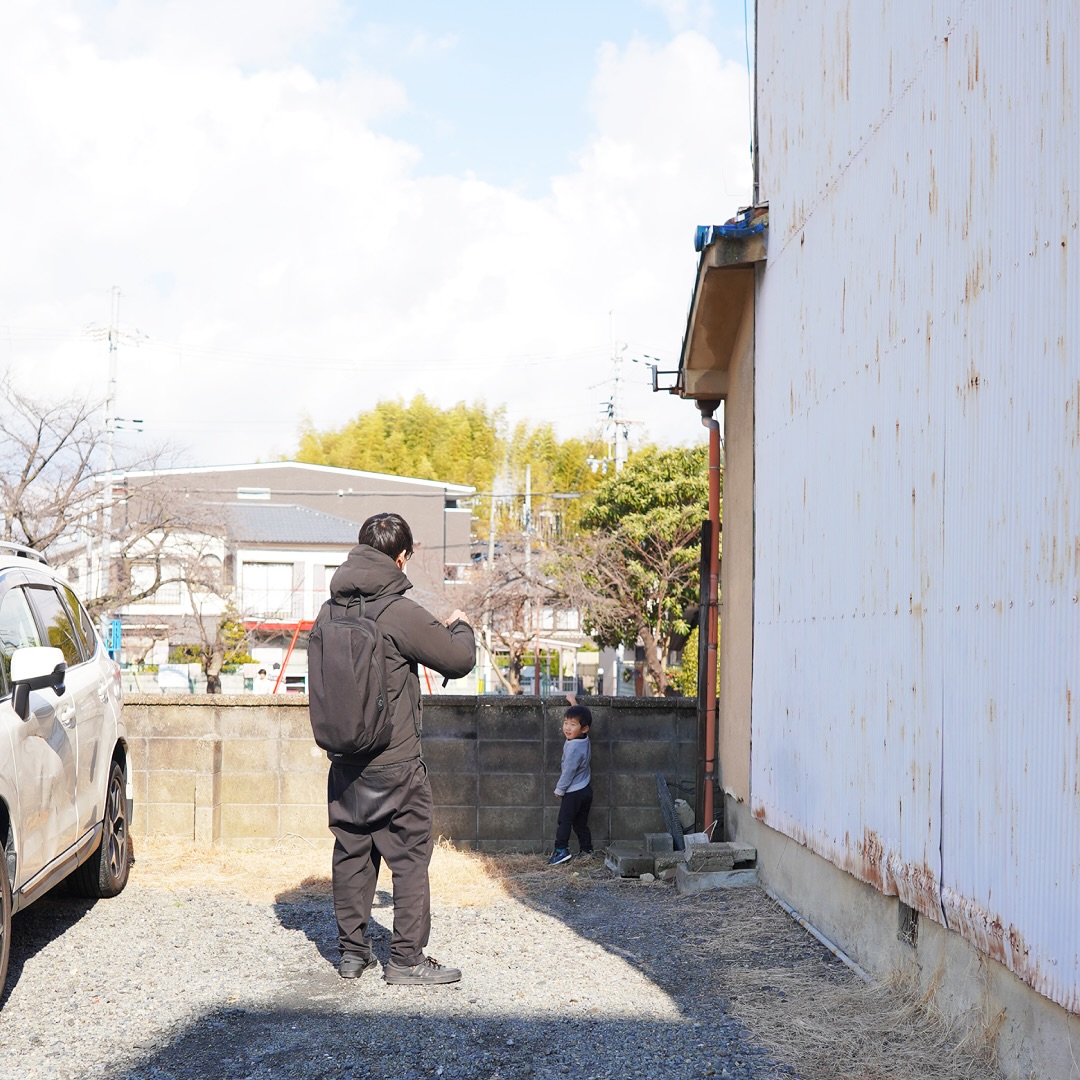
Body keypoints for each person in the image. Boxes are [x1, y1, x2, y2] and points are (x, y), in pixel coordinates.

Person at [320, 512, 474, 985]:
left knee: (351, 854)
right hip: (396, 762)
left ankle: (352, 955)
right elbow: (459, 659)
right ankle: (405, 962)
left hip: (344, 761)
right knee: (408, 860)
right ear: (401, 557)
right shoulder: (398, 611)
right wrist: (461, 625)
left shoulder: (331, 610)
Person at [548, 700, 593, 865]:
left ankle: (561, 850)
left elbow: (568, 771)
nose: (567, 727)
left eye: (572, 724)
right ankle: (587, 850)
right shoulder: (584, 739)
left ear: (584, 728)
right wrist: (574, 703)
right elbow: (580, 719)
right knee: (581, 823)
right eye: (565, 723)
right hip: (585, 789)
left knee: (564, 821)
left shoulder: (574, 748)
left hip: (573, 792)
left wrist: (560, 789)